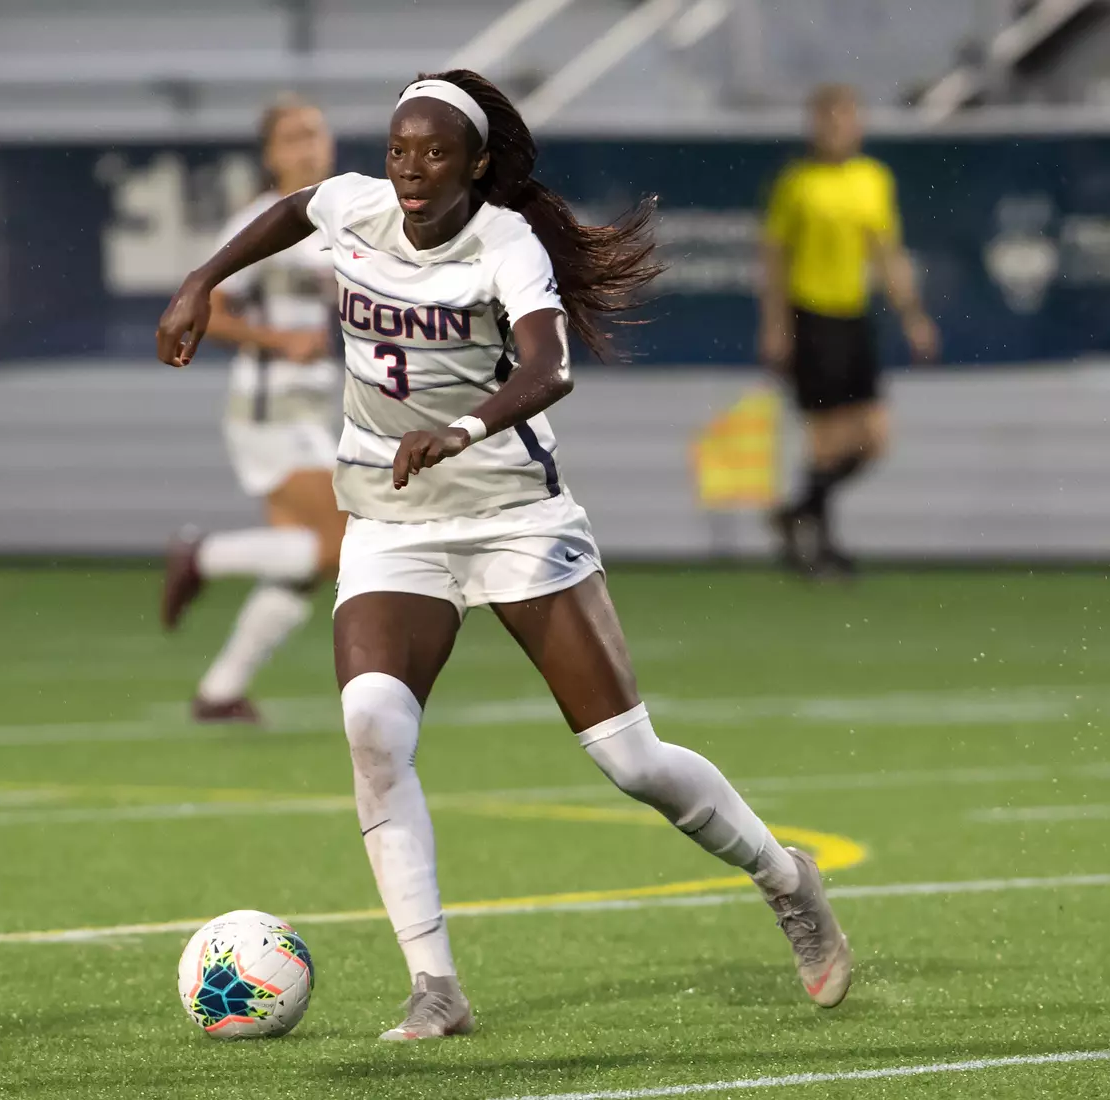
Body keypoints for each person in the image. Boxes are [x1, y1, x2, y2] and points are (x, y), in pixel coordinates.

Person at [158, 69, 853, 1040]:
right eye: (400, 148)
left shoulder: (506, 245)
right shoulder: (357, 206)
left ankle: (785, 876)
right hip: (395, 521)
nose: (409, 169)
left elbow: (548, 365)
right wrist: (201, 282)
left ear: (477, 164)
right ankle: (434, 984)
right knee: (372, 723)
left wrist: (465, 425)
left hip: (515, 518)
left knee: (631, 759)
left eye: (434, 152)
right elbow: (291, 209)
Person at [161, 95, 348, 724]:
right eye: (292, 137)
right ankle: (202, 554)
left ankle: (220, 692)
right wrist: (278, 341)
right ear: (270, 154)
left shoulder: (342, 217)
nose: (307, 146)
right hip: (269, 410)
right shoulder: (259, 222)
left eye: (315, 133)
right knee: (343, 545)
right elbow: (199, 307)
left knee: (300, 561)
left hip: (311, 410)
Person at [761, 83, 939, 576]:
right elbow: (776, 258)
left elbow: (887, 253)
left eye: (843, 118)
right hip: (810, 315)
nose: (836, 128)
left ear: (857, 125)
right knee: (824, 434)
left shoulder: (872, 179)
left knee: (874, 437)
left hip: (855, 315)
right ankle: (822, 543)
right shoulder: (798, 184)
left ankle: (797, 512)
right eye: (826, 119)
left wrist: (913, 317)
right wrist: (775, 326)